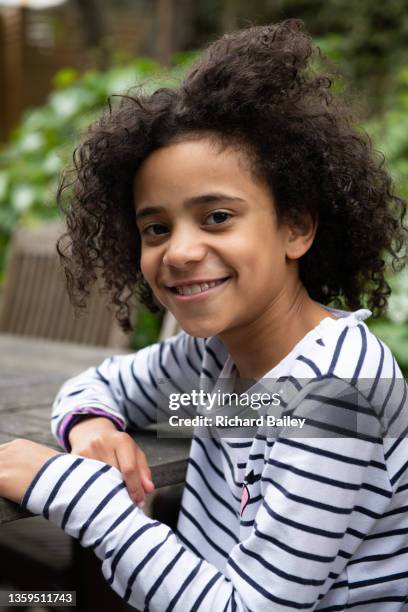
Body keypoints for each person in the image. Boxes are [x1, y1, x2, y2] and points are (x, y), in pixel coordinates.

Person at [1, 19, 408, 611]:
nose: (181, 251)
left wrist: (70, 491)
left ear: (295, 226)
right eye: (156, 228)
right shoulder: (214, 358)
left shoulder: (334, 395)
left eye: (217, 216)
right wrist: (91, 426)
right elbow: (101, 383)